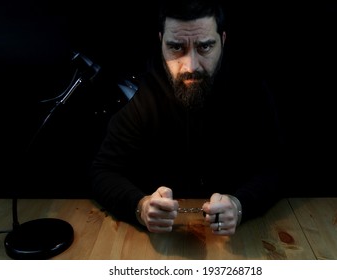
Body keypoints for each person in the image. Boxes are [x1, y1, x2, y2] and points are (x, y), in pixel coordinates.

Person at [90, 0, 283, 236]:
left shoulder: (251, 91)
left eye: (205, 47)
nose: (191, 66)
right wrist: (140, 207)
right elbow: (103, 171)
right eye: (176, 48)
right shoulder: (141, 96)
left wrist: (240, 205)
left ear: (222, 41)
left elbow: (277, 168)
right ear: (161, 42)